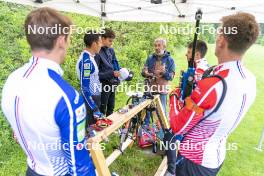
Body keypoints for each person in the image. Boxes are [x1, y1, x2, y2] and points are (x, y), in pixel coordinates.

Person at [1, 8, 95, 176]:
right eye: (69, 38)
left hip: (32, 168)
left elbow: (20, 131)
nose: (69, 44)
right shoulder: (66, 97)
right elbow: (78, 165)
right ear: (61, 40)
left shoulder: (11, 80)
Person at [165, 12, 259, 176]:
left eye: (218, 34)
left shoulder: (214, 83)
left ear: (222, 40)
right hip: (215, 156)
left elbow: (178, 126)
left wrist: (173, 97)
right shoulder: (250, 79)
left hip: (194, 160)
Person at [142, 38, 175, 124]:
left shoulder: (170, 60)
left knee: (161, 112)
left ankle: (162, 131)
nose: (157, 47)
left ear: (164, 46)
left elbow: (171, 77)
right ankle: (146, 128)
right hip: (150, 89)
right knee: (147, 110)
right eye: (155, 45)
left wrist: (164, 72)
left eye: (159, 45)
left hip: (162, 89)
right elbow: (143, 71)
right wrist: (145, 73)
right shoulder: (150, 58)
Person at [76, 31, 103, 125]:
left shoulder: (91, 58)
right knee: (90, 133)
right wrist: (93, 107)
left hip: (95, 97)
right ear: (94, 44)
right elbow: (84, 88)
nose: (101, 45)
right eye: (100, 42)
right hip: (90, 100)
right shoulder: (86, 62)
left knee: (95, 130)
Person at [95, 28, 120, 116]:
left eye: (112, 41)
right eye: (110, 41)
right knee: (102, 109)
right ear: (102, 38)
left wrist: (119, 75)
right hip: (103, 85)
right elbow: (95, 75)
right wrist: (111, 74)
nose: (111, 43)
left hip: (112, 83)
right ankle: (101, 128)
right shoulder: (97, 52)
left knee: (111, 107)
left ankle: (111, 128)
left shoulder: (111, 50)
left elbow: (116, 64)